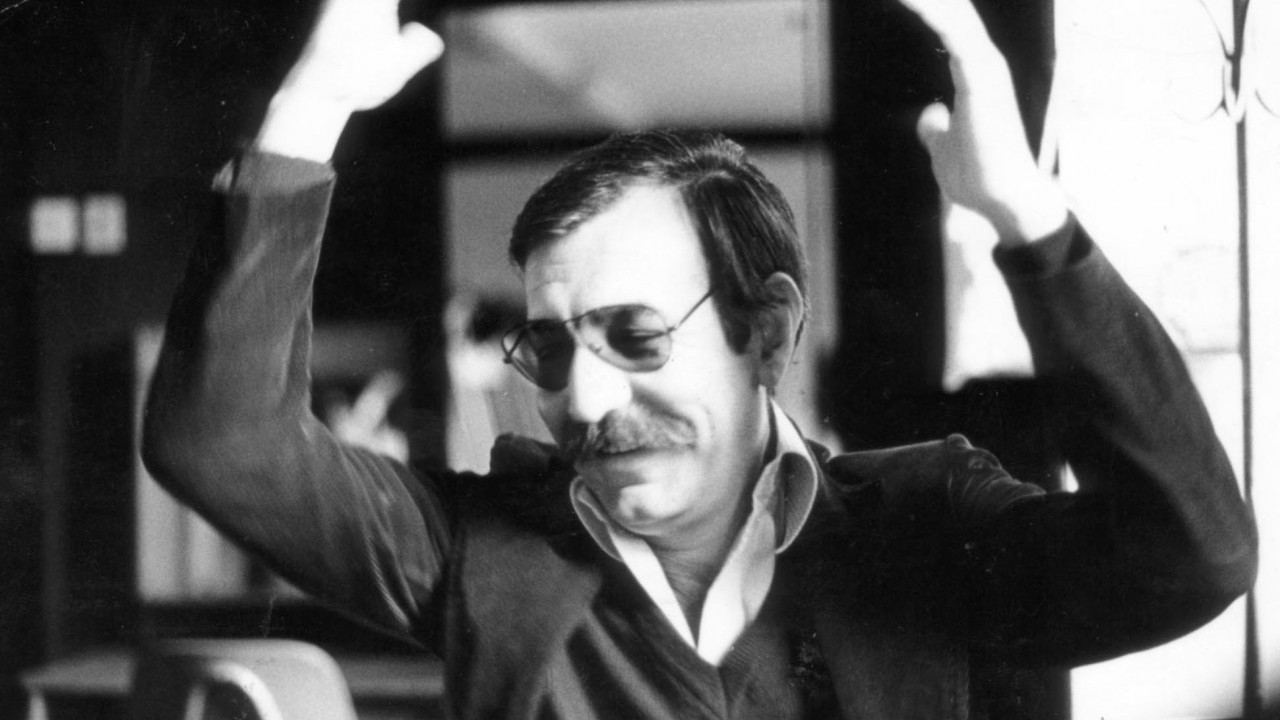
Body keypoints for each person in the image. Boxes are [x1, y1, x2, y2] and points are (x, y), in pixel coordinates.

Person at [141, 0, 1258, 717]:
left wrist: (1025, 221)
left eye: (635, 336)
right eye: (547, 346)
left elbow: (1195, 556)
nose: (584, 398)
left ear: (765, 331)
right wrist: (308, 113)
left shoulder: (929, 525)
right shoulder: (481, 549)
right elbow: (219, 445)